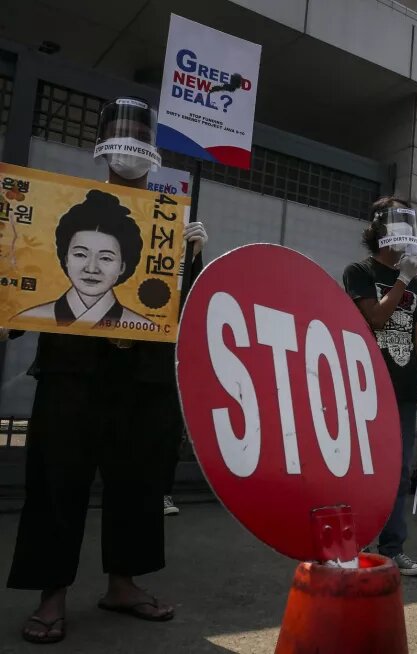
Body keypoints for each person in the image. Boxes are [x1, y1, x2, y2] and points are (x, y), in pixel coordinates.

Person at [3, 96, 208, 645]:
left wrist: (193, 262)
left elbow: (180, 309)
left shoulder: (170, 220)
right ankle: (52, 594)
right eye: (121, 144)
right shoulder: (59, 209)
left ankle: (124, 583)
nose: (130, 156)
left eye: (139, 145)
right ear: (104, 151)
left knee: (139, 482)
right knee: (55, 482)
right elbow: (26, 286)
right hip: (71, 373)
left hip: (143, 376)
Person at [343, 197, 417, 577]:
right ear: (379, 230)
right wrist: (401, 281)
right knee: (364, 467)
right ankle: (355, 544)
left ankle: (393, 548)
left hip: (404, 388)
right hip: (367, 385)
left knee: (398, 472)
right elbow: (376, 319)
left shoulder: (416, 282)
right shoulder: (358, 272)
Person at [15, 189, 153, 327]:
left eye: (105, 258)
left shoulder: (142, 326)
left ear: (122, 266)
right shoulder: (31, 316)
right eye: (80, 255)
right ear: (66, 259)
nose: (91, 269)